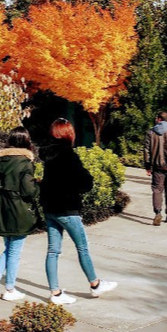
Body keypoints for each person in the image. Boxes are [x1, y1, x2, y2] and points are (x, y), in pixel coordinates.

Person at [40, 118, 117, 305]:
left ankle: (55, 292)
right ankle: (95, 284)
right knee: (82, 247)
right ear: (68, 134)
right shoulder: (69, 156)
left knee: (53, 251)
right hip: (67, 209)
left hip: (50, 208)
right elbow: (85, 182)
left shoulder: (47, 156)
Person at [0, 127, 40, 301]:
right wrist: (38, 185)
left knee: (9, 248)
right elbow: (29, 191)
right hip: (19, 211)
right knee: (14, 252)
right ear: (26, 142)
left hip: (2, 210)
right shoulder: (25, 163)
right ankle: (10, 288)